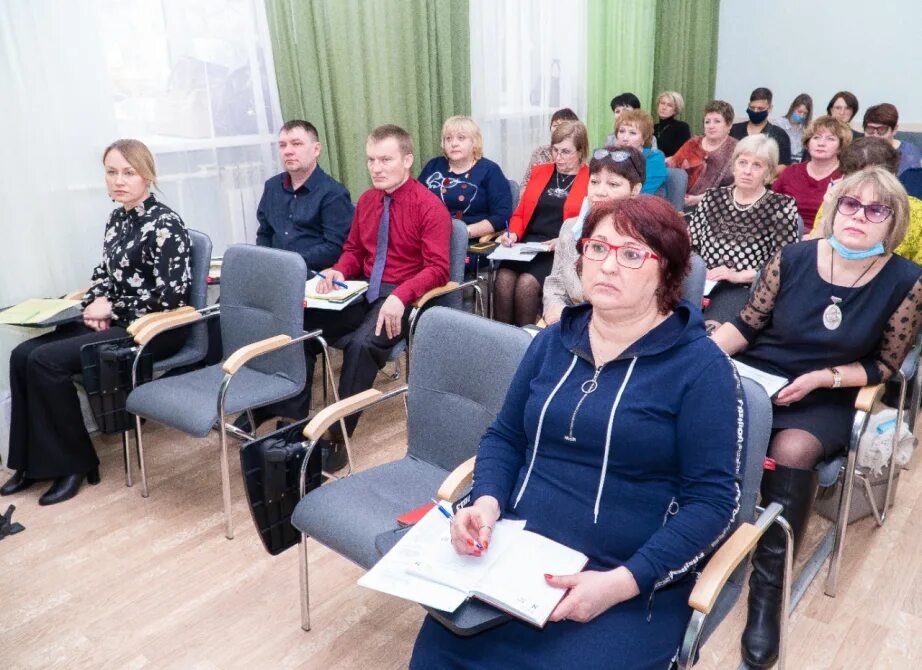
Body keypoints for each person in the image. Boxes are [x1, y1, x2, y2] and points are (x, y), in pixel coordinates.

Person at [410, 196, 743, 669]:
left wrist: (622, 582)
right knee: (435, 657)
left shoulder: (703, 368)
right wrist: (485, 502)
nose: (608, 265)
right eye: (597, 248)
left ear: (667, 273)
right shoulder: (551, 341)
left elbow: (714, 503)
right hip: (515, 560)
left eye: (631, 254)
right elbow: (505, 437)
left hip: (626, 578)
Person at [711, 167, 922, 668]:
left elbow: (886, 365)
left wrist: (823, 379)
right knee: (701, 413)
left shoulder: (906, 281)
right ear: (834, 207)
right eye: (850, 204)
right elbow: (747, 325)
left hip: (827, 390)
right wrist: (700, 360)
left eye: (876, 210)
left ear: (892, 223)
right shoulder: (794, 257)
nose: (859, 217)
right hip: (762, 374)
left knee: (794, 449)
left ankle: (767, 590)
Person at [1, 140, 192, 505]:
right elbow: (103, 274)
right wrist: (95, 303)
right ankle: (30, 464)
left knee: (46, 361)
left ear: (147, 176)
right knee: (22, 354)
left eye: (128, 172)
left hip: (152, 329)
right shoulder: (118, 218)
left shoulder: (166, 224)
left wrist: (113, 309)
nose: (118, 180)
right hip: (118, 319)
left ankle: (75, 464)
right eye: (111, 171)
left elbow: (171, 297)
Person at [258, 125, 451, 468]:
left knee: (362, 345)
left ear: (407, 160)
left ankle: (337, 437)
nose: (376, 168)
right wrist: (338, 271)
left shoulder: (429, 207)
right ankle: (291, 416)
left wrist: (401, 297)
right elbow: (353, 250)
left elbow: (438, 269)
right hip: (364, 289)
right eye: (371, 160)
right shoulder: (367, 201)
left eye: (385, 160)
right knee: (298, 321)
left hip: (405, 296)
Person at [687, 135, 799, 324]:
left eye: (757, 165)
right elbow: (691, 247)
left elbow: (782, 265)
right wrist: (699, 271)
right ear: (733, 165)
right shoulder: (712, 198)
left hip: (743, 288)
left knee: (709, 331)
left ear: (769, 171)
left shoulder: (781, 206)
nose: (747, 171)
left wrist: (736, 276)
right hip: (701, 282)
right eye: (743, 162)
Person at [495, 120, 590, 326]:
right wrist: (513, 234)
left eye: (566, 151)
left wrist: (563, 239)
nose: (558, 157)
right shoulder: (541, 172)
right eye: (555, 150)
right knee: (503, 279)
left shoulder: (590, 179)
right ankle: (502, 342)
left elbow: (587, 222)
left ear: (581, 151)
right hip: (528, 244)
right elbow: (520, 214)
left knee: (526, 285)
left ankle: (526, 345)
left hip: (558, 248)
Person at [543, 145, 645, 324]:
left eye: (613, 184)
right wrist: (554, 310)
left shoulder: (644, 238)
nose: (600, 192)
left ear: (635, 190)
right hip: (568, 324)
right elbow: (555, 283)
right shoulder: (570, 227)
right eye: (594, 181)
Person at [256, 120, 354, 273]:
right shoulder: (272, 187)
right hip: (273, 272)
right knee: (229, 294)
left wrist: (290, 262)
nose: (288, 151)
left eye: (296, 144)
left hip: (312, 274)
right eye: (283, 145)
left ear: (316, 149)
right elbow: (264, 233)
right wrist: (266, 262)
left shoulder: (333, 193)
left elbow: (335, 248)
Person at [810, 138, 922, 265]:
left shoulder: (917, 210)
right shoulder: (835, 199)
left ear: (893, 176)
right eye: (854, 177)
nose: (863, 184)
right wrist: (827, 211)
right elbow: (812, 252)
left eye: (873, 178)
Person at [418, 115, 513, 241]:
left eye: (461, 138)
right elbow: (414, 202)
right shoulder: (433, 166)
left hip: (469, 240)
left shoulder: (490, 170)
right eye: (448, 138)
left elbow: (502, 216)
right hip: (429, 237)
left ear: (474, 142)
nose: (454, 143)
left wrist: (463, 233)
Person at [772, 116, 851, 232]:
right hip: (786, 234)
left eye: (830, 139)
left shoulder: (847, 178)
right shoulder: (790, 172)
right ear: (807, 143)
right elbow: (771, 206)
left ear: (840, 147)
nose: (821, 143)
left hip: (826, 238)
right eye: (816, 137)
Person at [667, 100, 739, 208]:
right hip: (680, 202)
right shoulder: (693, 143)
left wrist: (700, 199)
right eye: (707, 122)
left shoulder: (736, 149)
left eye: (717, 121)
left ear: (728, 125)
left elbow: (737, 187)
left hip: (717, 206)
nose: (711, 126)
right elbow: (673, 167)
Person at [730, 87, 792, 167]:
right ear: (748, 105)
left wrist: (763, 175)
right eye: (752, 108)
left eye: (760, 108)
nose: (755, 111)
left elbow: (783, 166)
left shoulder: (779, 135)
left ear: (770, 108)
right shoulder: (734, 130)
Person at [614, 109, 667, 194]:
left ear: (644, 139)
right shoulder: (612, 156)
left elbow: (643, 194)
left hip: (643, 204)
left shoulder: (653, 159)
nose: (625, 138)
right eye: (622, 131)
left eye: (632, 133)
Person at [522, 108, 579, 186]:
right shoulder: (539, 152)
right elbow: (526, 183)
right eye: (555, 125)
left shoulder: (577, 154)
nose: (558, 129)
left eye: (563, 125)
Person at [863, 103, 922, 175]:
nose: (875, 135)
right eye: (870, 129)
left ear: (894, 130)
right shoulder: (858, 151)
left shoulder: (909, 154)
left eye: (882, 130)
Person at [774, 93, 813, 162]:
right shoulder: (779, 124)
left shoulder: (805, 129)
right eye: (799, 112)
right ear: (793, 108)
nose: (801, 116)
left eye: (805, 113)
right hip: (781, 161)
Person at [652, 91, 691, 157]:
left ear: (675, 110)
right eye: (662, 103)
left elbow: (682, 155)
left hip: (671, 166)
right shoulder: (652, 127)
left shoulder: (681, 127)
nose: (664, 107)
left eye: (669, 105)